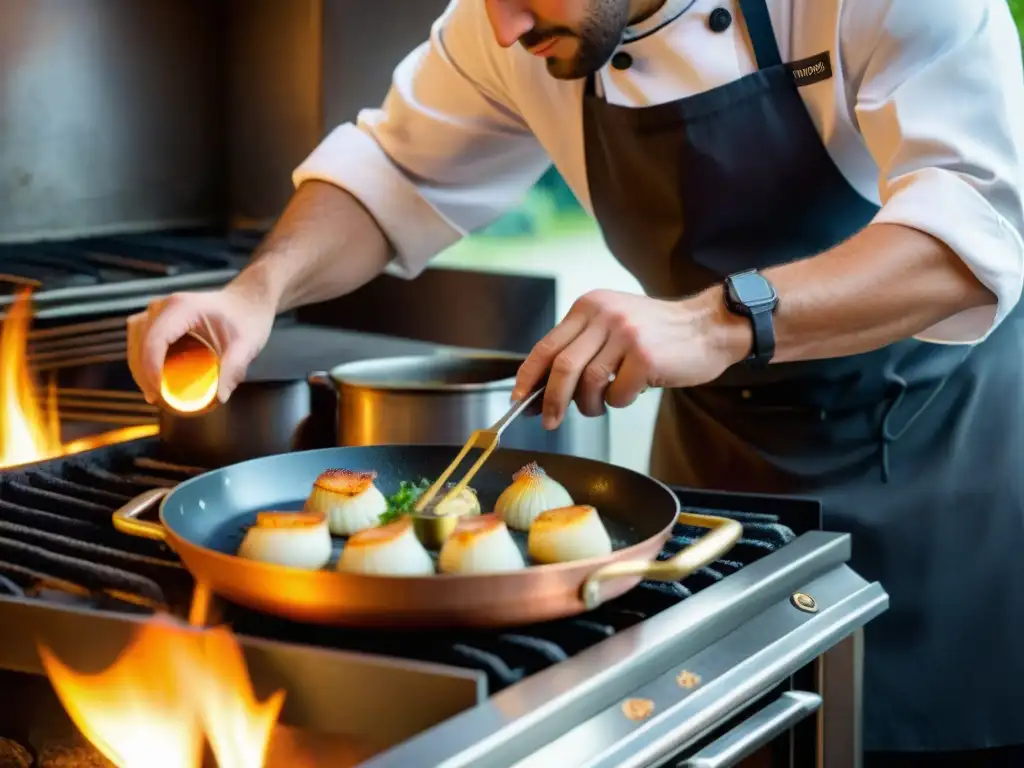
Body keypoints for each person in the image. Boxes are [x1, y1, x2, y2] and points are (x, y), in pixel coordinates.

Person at [127, 0, 1024, 764]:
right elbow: (392, 173)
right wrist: (255, 295)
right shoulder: (508, 21)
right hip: (720, 475)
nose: (505, 22)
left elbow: (974, 233)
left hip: (937, 462)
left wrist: (711, 322)